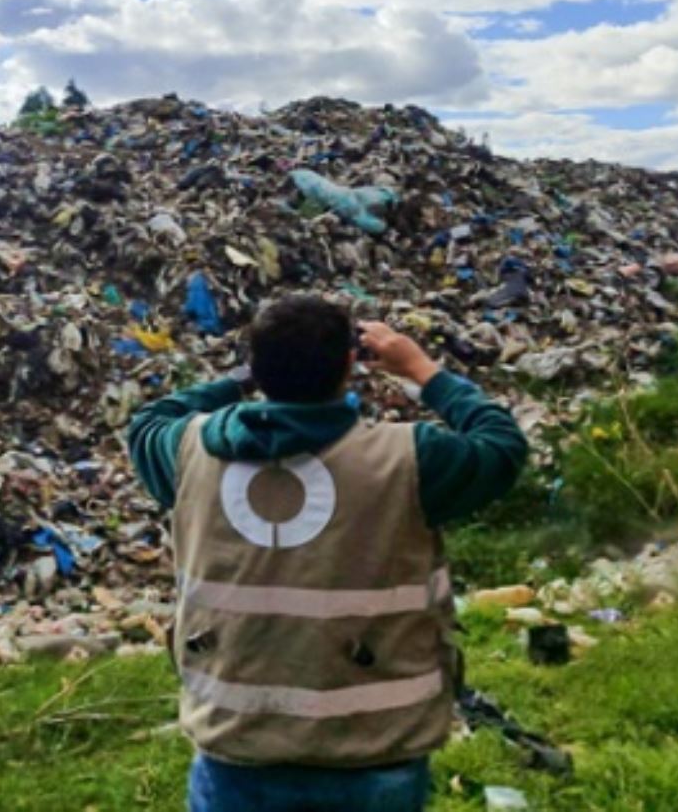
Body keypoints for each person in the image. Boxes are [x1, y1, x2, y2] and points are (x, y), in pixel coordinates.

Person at [128, 293, 528, 811]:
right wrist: (423, 369)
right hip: (372, 746)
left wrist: (245, 377)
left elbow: (147, 419)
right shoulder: (411, 459)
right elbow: (502, 444)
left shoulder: (187, 450)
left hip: (236, 741)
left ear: (260, 366)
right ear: (350, 364)